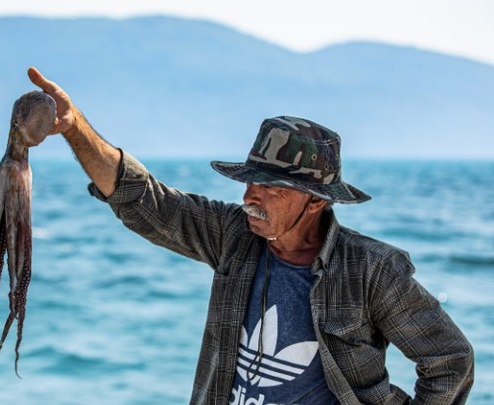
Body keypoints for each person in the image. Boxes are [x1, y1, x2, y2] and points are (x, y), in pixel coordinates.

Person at [26, 66, 474, 404]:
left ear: (316, 201)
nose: (249, 197)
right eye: (249, 181)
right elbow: (146, 201)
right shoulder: (233, 236)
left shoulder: (371, 270)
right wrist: (77, 127)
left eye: (271, 189)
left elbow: (449, 361)